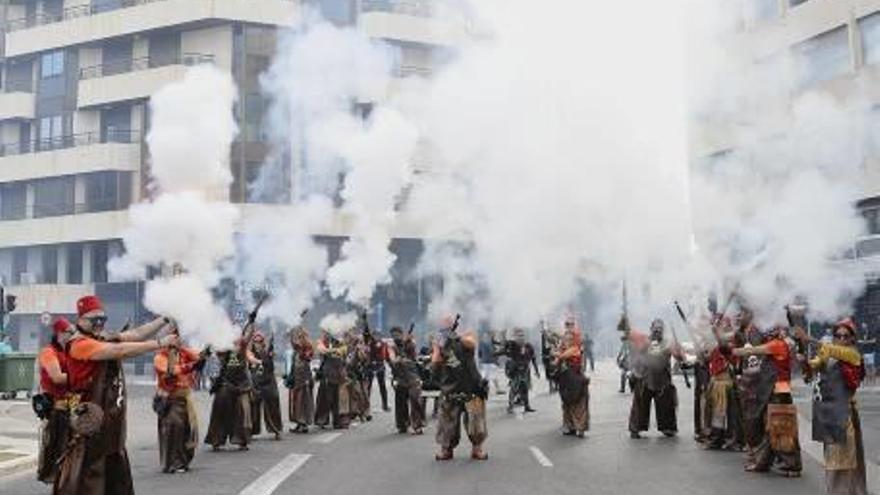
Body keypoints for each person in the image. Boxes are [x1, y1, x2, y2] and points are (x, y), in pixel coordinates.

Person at [55, 295, 175, 495]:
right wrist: (160, 343)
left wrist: (164, 319)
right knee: (87, 479)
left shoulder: (101, 337)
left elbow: (136, 334)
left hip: (110, 422)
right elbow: (119, 350)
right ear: (81, 320)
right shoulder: (79, 343)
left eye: (103, 320)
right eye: (94, 320)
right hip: (89, 422)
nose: (99, 324)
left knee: (114, 475)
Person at [797, 318, 867, 493]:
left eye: (846, 335)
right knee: (832, 461)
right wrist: (803, 362)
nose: (842, 339)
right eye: (838, 335)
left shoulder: (853, 354)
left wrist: (809, 339)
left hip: (845, 415)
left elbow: (834, 350)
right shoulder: (826, 353)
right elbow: (811, 373)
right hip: (828, 414)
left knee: (845, 461)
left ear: (852, 338)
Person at [732, 323, 802, 477]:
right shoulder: (779, 344)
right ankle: (768, 462)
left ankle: (790, 465)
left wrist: (731, 350)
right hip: (778, 391)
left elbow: (751, 350)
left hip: (778, 392)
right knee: (773, 428)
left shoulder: (777, 344)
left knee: (781, 428)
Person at [433, 316, 488, 461]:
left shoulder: (467, 335)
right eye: (443, 327)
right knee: (447, 423)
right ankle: (446, 450)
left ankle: (477, 449)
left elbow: (471, 344)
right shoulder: (439, 342)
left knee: (476, 422)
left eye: (448, 326)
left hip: (472, 386)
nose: (446, 329)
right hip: (450, 387)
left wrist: (455, 338)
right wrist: (440, 346)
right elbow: (436, 362)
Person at [153, 327, 208, 473]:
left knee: (186, 430)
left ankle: (183, 461)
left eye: (177, 337)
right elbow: (172, 371)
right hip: (170, 399)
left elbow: (198, 356)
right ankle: (173, 463)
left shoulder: (183, 352)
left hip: (185, 398)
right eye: (173, 337)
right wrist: (191, 366)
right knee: (173, 429)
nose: (176, 340)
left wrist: (205, 354)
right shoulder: (160, 357)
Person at [628, 318, 683, 439]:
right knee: (640, 405)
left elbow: (679, 356)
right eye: (655, 329)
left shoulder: (668, 343)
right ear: (651, 329)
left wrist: (679, 352)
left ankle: (668, 428)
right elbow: (637, 355)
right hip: (645, 377)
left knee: (666, 404)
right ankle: (635, 428)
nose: (657, 331)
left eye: (660, 329)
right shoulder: (645, 341)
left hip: (663, 379)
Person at [35, 317, 73, 484]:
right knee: (57, 452)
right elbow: (57, 378)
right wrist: (82, 376)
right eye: (68, 333)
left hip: (72, 407)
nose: (72, 336)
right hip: (56, 410)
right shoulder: (48, 352)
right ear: (59, 334)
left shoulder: (70, 352)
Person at [205, 335, 259, 451]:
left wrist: (250, 323)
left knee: (243, 411)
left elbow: (247, 347)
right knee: (219, 407)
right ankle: (216, 440)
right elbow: (212, 354)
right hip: (225, 384)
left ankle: (242, 440)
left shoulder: (244, 351)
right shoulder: (223, 351)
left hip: (241, 386)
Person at [701, 317, 743, 450]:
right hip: (716, 381)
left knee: (731, 415)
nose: (723, 329)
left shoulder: (733, 342)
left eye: (726, 327)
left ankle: (734, 441)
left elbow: (725, 349)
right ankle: (716, 439)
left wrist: (715, 334)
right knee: (716, 414)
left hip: (726, 382)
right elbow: (707, 359)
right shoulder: (715, 343)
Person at [555, 320, 589, 437]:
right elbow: (558, 359)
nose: (569, 329)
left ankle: (580, 428)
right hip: (566, 377)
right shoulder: (564, 342)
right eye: (567, 326)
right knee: (567, 403)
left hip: (576, 376)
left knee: (580, 403)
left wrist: (558, 355)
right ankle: (570, 427)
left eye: (571, 325)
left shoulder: (576, 344)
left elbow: (566, 355)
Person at [388, 326, 424, 434]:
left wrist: (409, 342)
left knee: (415, 399)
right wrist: (397, 359)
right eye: (393, 335)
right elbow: (392, 358)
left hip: (412, 375)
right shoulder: (392, 346)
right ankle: (402, 425)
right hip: (399, 376)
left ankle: (417, 425)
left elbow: (414, 354)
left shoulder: (410, 343)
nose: (395, 337)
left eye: (397, 334)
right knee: (400, 402)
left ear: (401, 334)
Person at [249, 331, 283, 439]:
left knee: (273, 405)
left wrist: (270, 355)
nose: (257, 343)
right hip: (256, 383)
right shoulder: (250, 353)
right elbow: (250, 362)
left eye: (260, 341)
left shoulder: (267, 352)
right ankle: (251, 431)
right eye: (255, 341)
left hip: (269, 382)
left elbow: (271, 362)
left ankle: (277, 430)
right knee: (253, 408)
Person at [497, 327, 539, 413]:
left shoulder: (529, 346)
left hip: (525, 370)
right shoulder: (513, 345)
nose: (521, 337)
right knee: (514, 388)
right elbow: (504, 348)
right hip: (516, 371)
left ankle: (527, 406)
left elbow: (533, 359)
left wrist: (537, 371)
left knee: (525, 389)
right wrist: (503, 335)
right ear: (515, 337)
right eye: (519, 336)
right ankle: (510, 406)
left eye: (522, 335)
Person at [315, 329, 350, 429]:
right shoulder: (323, 342)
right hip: (327, 374)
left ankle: (339, 421)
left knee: (339, 400)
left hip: (339, 375)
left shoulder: (342, 344)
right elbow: (320, 349)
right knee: (324, 399)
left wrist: (332, 350)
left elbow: (342, 351)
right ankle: (322, 420)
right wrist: (330, 350)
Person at [287, 325, 315, 434]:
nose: (299, 338)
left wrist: (297, 331)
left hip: (304, 379)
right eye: (299, 336)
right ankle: (299, 423)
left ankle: (303, 424)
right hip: (296, 379)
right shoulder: (296, 351)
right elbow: (294, 344)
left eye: (301, 336)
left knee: (303, 402)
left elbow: (307, 356)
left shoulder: (307, 348)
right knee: (296, 402)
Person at [345, 329, 372, 423]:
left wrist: (360, 352)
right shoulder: (348, 349)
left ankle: (366, 413)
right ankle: (356, 412)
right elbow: (348, 363)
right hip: (352, 373)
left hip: (363, 373)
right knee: (356, 393)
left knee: (364, 393)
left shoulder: (365, 348)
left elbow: (365, 360)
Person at [364, 328, 390, 412]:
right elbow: (366, 332)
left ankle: (385, 405)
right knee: (368, 387)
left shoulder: (383, 344)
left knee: (382, 386)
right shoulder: (370, 343)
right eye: (375, 335)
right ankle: (366, 406)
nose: (376, 336)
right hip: (370, 366)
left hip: (380, 365)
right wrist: (365, 322)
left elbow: (387, 355)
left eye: (378, 335)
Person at [540, 326, 559, 393]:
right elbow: (544, 348)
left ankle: (556, 385)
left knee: (557, 372)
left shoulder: (556, 343)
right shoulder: (546, 345)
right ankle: (551, 386)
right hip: (548, 359)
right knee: (549, 373)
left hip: (555, 359)